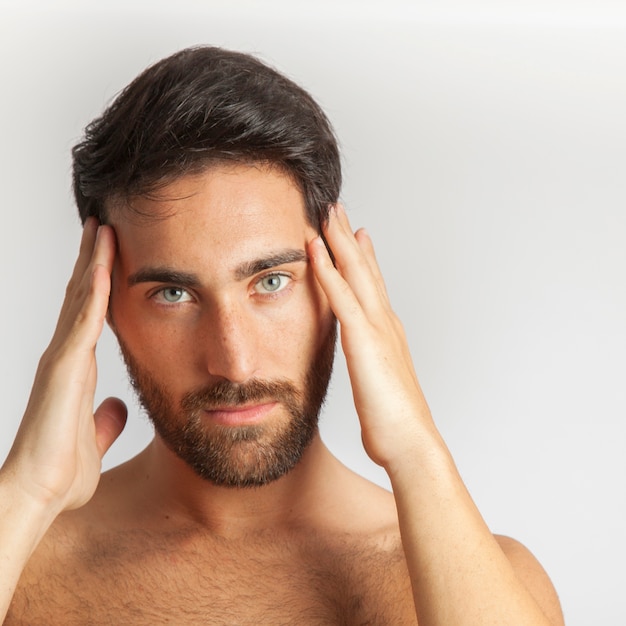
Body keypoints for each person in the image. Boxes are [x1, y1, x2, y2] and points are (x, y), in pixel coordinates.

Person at [0, 46, 564, 625]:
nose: (235, 363)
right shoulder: (24, 562)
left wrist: (415, 451)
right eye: (174, 294)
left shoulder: (488, 581)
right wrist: (23, 494)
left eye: (271, 281)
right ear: (102, 307)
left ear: (341, 282)